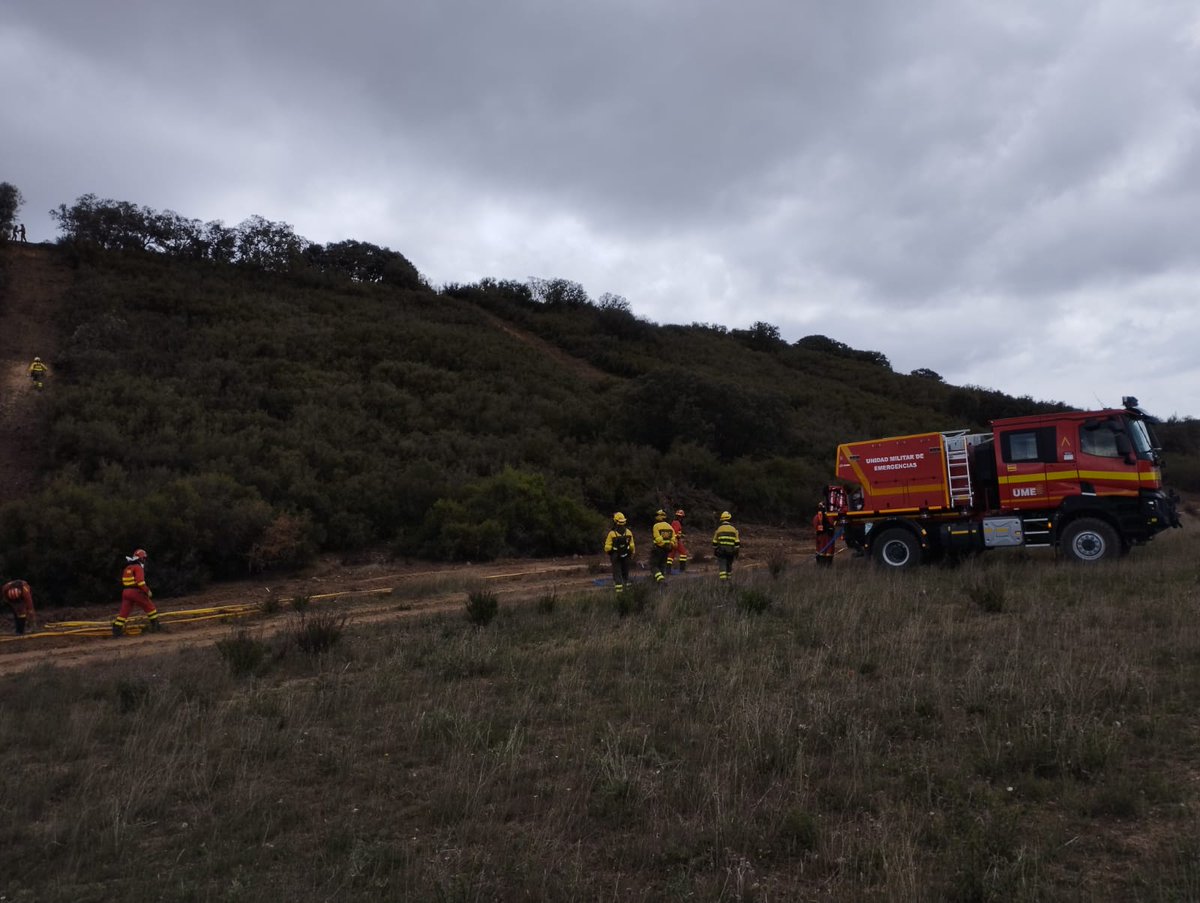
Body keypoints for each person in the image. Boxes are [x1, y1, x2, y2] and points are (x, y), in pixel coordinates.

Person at [112, 549, 164, 636]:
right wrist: (147, 591)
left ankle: (116, 630)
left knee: (124, 613)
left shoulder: (127, 568)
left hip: (126, 592)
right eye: (144, 558)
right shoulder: (138, 568)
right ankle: (156, 626)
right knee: (150, 608)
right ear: (141, 559)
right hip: (135, 592)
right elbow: (140, 582)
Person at [603, 513, 636, 596]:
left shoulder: (612, 533)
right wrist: (632, 554)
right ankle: (628, 593)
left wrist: (611, 552)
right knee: (626, 574)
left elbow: (607, 548)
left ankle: (619, 595)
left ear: (615, 521)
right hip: (627, 556)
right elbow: (632, 546)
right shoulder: (629, 532)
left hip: (615, 557)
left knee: (617, 575)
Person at [650, 509, 677, 584]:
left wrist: (662, 544)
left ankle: (661, 580)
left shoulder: (656, 526)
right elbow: (673, 539)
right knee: (662, 566)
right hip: (667, 550)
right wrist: (669, 545)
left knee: (653, 566)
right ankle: (659, 584)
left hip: (658, 549)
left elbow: (657, 538)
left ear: (659, 517)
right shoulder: (670, 526)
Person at [712, 511, 740, 581]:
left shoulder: (719, 529)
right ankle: (729, 581)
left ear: (722, 520)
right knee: (729, 566)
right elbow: (737, 543)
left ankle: (723, 583)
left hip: (721, 552)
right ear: (729, 519)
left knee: (722, 566)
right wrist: (736, 552)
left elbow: (714, 542)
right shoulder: (734, 530)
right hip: (731, 552)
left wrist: (715, 550)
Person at [814, 502, 836, 566]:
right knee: (827, 552)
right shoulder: (830, 516)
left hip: (822, 537)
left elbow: (816, 526)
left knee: (822, 551)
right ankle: (826, 566)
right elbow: (833, 524)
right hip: (827, 537)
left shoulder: (816, 517)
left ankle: (822, 566)